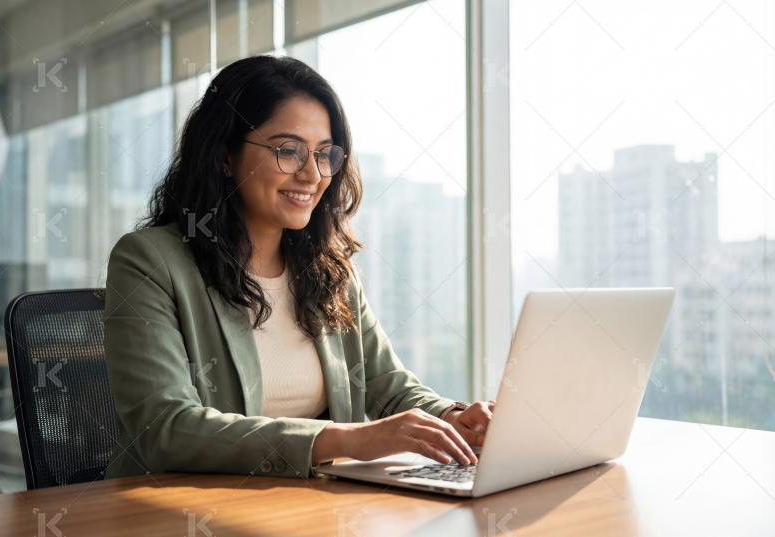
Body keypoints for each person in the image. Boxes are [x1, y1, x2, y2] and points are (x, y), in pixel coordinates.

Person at [103, 55, 494, 480]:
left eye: (325, 154)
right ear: (225, 156)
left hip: (304, 506)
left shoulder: (329, 271)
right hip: (176, 511)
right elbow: (166, 428)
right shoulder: (149, 261)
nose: (312, 174)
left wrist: (453, 417)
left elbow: (385, 385)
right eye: (288, 150)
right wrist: (344, 440)